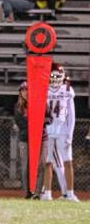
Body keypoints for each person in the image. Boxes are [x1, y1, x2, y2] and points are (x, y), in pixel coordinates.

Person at [40, 64, 77, 202]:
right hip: (48, 129)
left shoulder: (67, 89)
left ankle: (70, 193)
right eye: (52, 75)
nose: (55, 79)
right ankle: (48, 193)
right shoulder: (44, 90)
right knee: (48, 162)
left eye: (57, 76)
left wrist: (70, 134)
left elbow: (71, 115)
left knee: (67, 161)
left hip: (62, 129)